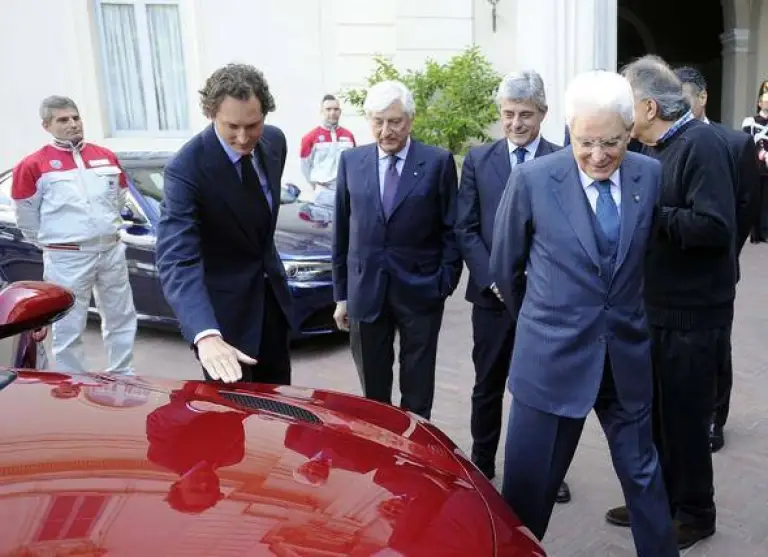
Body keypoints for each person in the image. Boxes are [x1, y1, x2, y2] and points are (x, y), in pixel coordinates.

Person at [489, 70, 678, 557]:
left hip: (625, 356)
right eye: (586, 142)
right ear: (569, 129)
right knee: (529, 494)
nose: (598, 156)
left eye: (611, 142)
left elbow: (646, 259)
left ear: (630, 131)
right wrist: (548, 320)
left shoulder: (649, 174)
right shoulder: (532, 179)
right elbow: (506, 269)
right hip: (551, 361)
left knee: (645, 476)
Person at [605, 55, 737, 550]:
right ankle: (656, 501)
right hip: (655, 308)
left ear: (649, 105)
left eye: (625, 105)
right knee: (654, 415)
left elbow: (715, 226)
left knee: (684, 418)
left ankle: (696, 513)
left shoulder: (700, 144)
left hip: (691, 315)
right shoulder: (653, 147)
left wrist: (647, 216)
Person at [455, 70, 570, 503]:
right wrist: (494, 277)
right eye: (508, 114)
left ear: (542, 113)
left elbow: (565, 232)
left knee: (544, 388)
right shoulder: (479, 161)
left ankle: (547, 471)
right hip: (491, 299)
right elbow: (465, 229)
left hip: (544, 299)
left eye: (525, 114)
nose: (516, 123)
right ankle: (482, 466)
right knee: (487, 385)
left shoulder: (562, 160)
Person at [332, 80, 462, 420]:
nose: (386, 130)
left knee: (417, 390)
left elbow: (452, 229)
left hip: (420, 291)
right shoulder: (351, 162)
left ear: (411, 120)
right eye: (378, 121)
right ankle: (379, 459)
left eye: (395, 121)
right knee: (372, 394)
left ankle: (415, 456)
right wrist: (341, 294)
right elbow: (343, 232)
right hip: (365, 292)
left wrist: (443, 283)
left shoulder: (437, 162)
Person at [156, 64, 293, 385]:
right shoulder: (186, 168)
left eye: (253, 125)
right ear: (211, 114)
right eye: (232, 126)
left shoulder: (274, 143)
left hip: (273, 306)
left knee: (280, 415)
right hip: (223, 324)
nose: (243, 138)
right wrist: (204, 335)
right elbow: (177, 258)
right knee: (231, 426)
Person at [11, 95, 137, 374]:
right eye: (63, 120)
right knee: (68, 323)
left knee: (121, 317)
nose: (72, 124)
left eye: (76, 117)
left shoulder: (105, 156)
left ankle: (123, 374)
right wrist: (55, 245)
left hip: (110, 250)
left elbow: (118, 198)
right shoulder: (33, 165)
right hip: (67, 257)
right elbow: (27, 217)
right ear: (46, 125)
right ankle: (74, 380)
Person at [676, 65, 759, 452]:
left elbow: (746, 207)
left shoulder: (733, 142)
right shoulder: (657, 144)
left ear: (702, 97)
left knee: (716, 345)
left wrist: (726, 250)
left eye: (683, 99)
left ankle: (714, 417)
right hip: (671, 270)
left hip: (717, 268)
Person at [298, 94, 357, 226]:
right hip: (322, 194)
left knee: (345, 228)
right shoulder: (310, 138)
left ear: (340, 112)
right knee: (323, 233)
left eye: (336, 109)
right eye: (328, 109)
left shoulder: (348, 136)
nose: (332, 113)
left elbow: (354, 164)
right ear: (321, 111)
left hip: (344, 192)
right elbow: (305, 166)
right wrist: (315, 185)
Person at [741, 82, 768, 243]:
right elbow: (748, 141)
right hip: (756, 167)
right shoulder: (750, 121)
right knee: (755, 199)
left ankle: (765, 231)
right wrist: (761, 153)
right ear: (759, 103)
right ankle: (755, 232)